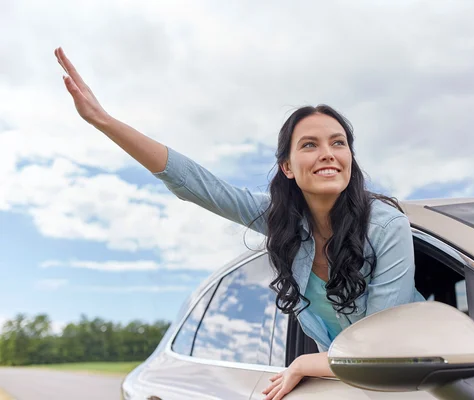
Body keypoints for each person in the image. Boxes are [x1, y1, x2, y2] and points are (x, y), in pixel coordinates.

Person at [55, 47, 424, 400]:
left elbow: (381, 347)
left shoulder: (386, 226)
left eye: (338, 143)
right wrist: (103, 121)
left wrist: (306, 363)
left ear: (349, 157)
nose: (327, 153)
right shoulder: (282, 222)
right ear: (288, 167)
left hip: (412, 377)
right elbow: (198, 185)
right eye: (309, 145)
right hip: (350, 382)